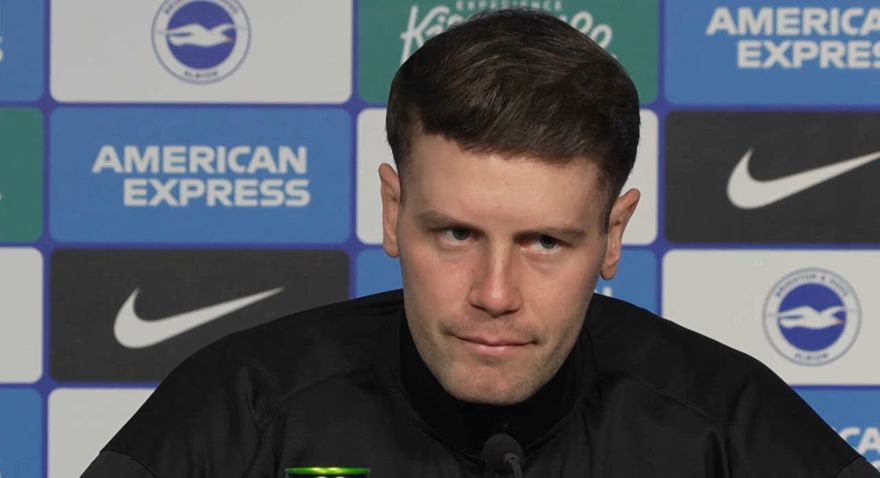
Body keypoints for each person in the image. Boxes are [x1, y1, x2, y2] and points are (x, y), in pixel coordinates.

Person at [82, 9, 878, 478]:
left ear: (613, 237)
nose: (495, 294)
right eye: (456, 233)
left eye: (545, 243)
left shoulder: (724, 425)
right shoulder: (240, 410)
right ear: (393, 212)